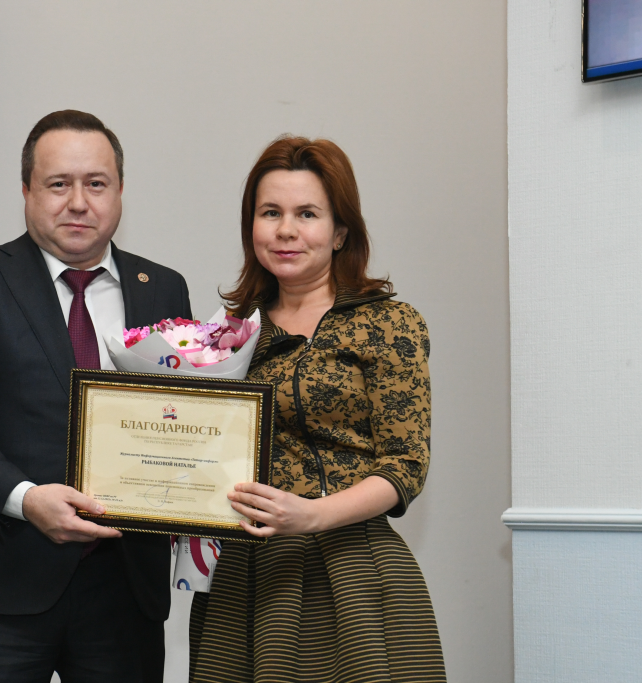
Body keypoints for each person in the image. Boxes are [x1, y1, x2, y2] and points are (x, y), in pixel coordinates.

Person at [0, 110, 192, 683]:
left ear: (120, 191)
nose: (78, 202)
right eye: (57, 184)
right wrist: (26, 500)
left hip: (126, 594)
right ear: (26, 190)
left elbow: (181, 420)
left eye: (96, 183)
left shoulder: (164, 288)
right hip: (2, 586)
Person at [188, 136, 446, 682]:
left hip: (351, 570)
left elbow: (405, 467)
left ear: (340, 231)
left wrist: (311, 516)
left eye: (307, 214)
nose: (286, 230)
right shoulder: (228, 334)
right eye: (270, 213)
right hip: (243, 579)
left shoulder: (388, 323)